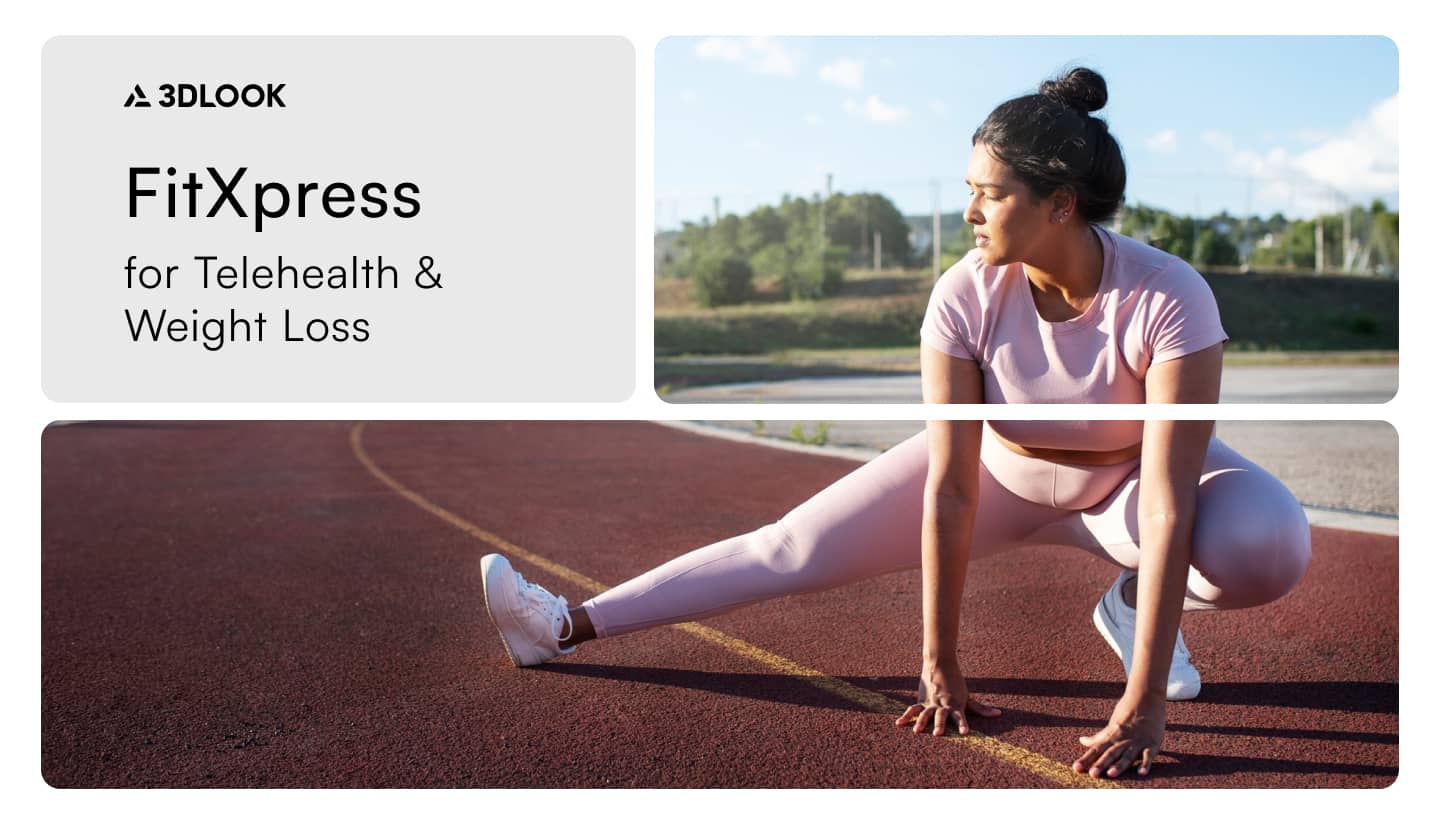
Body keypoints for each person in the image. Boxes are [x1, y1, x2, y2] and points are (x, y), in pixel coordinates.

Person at [479, 67, 1311, 781]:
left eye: (990, 195)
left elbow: (1167, 505)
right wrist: (939, 662)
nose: (972, 214)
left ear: (1060, 204)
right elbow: (950, 488)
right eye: (968, 193)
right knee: (788, 549)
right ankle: (561, 626)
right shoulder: (963, 294)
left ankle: (1130, 611)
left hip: (1128, 487)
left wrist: (1142, 703)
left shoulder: (1169, 296)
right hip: (999, 474)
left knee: (1266, 543)